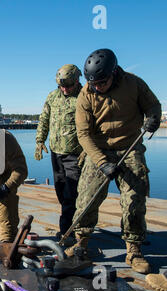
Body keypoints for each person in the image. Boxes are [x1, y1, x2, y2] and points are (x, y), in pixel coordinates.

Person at [65, 48, 161, 275]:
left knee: (134, 199)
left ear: (114, 72)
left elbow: (153, 106)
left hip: (130, 147)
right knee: (87, 196)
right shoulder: (85, 95)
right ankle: (81, 243)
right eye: (93, 83)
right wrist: (101, 162)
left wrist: (153, 119)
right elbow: (84, 134)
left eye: (102, 82)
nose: (97, 87)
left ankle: (134, 250)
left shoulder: (135, 84)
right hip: (98, 149)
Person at [35, 64, 83, 245]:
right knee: (61, 190)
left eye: (68, 85)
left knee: (72, 192)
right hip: (56, 151)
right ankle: (71, 224)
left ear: (77, 80)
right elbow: (44, 119)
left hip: (76, 154)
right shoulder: (53, 96)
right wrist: (40, 140)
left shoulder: (85, 96)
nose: (65, 89)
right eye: (61, 85)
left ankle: (67, 232)